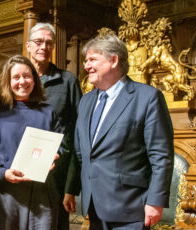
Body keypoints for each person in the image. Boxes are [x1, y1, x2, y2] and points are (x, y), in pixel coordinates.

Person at [74, 34, 174, 230]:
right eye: (86, 60)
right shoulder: (86, 101)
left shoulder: (147, 97)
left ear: (114, 60)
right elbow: (82, 152)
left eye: (92, 59)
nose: (86, 66)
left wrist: (155, 201)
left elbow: (161, 155)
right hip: (94, 207)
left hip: (131, 209)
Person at [0, 55, 62, 230]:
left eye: (27, 76)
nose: (22, 81)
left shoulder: (48, 112)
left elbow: (60, 145)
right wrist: (2, 172)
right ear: (7, 81)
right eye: (16, 77)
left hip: (41, 195)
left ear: (34, 79)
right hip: (5, 196)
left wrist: (55, 156)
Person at [26, 23, 82, 228]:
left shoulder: (68, 81)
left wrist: (72, 185)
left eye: (49, 43)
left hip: (56, 172)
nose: (43, 47)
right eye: (38, 42)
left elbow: (79, 132)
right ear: (28, 46)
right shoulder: (18, 80)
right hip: (22, 170)